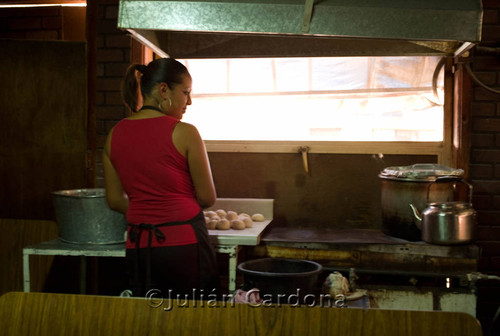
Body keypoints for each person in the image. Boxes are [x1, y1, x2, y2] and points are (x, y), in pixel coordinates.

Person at [103, 58, 219, 298]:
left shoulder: (114, 134)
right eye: (185, 92)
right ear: (163, 89)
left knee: (148, 320)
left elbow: (114, 200)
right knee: (191, 319)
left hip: (138, 246)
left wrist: (149, 208)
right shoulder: (185, 132)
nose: (189, 101)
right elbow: (207, 197)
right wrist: (170, 208)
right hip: (184, 246)